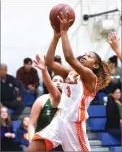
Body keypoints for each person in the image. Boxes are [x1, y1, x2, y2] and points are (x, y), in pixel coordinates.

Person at [27, 12, 111, 151]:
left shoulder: (90, 77)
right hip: (59, 119)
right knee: (32, 149)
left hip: (74, 124)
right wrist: (56, 36)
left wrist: (64, 32)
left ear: (95, 65)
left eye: (89, 56)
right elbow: (49, 62)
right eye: (84, 55)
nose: (84, 56)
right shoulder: (71, 73)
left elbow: (69, 58)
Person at [28, 55, 64, 151]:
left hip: (61, 144)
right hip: (42, 142)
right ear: (50, 83)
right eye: (55, 80)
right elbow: (31, 124)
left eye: (61, 81)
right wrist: (32, 141)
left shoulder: (68, 102)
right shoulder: (41, 100)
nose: (58, 82)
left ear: (64, 85)